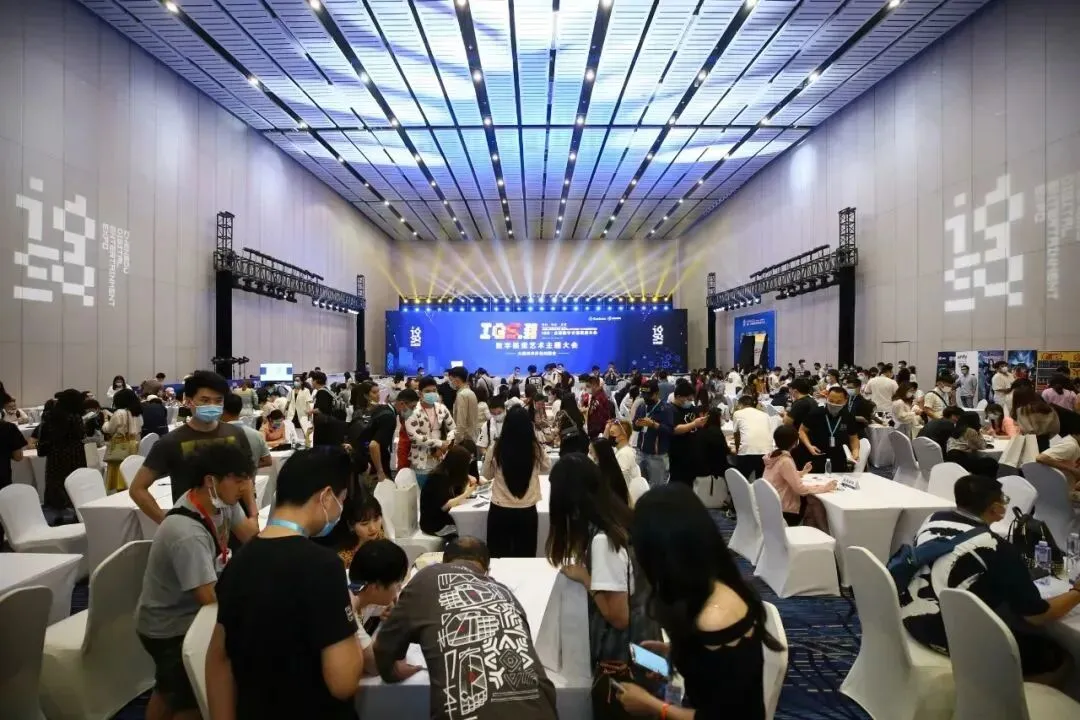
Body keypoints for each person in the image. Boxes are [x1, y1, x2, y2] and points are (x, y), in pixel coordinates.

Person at [206, 448, 364, 720]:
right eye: (341, 500)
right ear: (326, 497)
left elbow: (218, 659)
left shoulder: (239, 563)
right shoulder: (323, 567)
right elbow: (343, 682)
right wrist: (353, 620)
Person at [615, 483, 783, 719]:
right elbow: (720, 669)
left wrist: (652, 705)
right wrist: (677, 654)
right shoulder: (709, 583)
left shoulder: (717, 617)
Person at [900, 474, 1077, 683]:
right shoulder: (997, 549)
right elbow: (1038, 616)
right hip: (946, 636)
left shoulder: (934, 518)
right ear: (995, 508)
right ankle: (1011, 698)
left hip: (909, 617)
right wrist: (1077, 592)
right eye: (1004, 500)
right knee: (1059, 658)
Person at [373, 537, 558, 719]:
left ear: (444, 562)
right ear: (487, 570)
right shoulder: (506, 593)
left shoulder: (427, 577)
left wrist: (392, 672)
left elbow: (383, 647)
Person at [136, 443, 257, 720]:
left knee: (170, 689)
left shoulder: (220, 504)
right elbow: (207, 596)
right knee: (187, 700)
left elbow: (251, 537)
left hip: (187, 614)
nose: (244, 488)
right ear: (210, 481)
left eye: (246, 480)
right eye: (238, 480)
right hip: (170, 626)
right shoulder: (187, 532)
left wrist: (250, 504)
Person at [546, 453, 660, 666]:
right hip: (647, 642)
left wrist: (586, 578)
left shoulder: (603, 542)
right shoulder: (618, 518)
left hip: (626, 657)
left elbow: (619, 618)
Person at [131, 370, 253, 520]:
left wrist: (253, 515)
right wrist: (167, 523)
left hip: (236, 523)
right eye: (205, 400)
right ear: (189, 401)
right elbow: (137, 489)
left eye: (218, 400)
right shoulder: (170, 442)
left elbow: (247, 479)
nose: (212, 405)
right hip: (193, 522)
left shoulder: (236, 434)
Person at [481, 406, 550, 557]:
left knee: (498, 557)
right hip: (527, 509)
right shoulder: (535, 448)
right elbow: (546, 467)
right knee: (525, 557)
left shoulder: (496, 448)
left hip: (500, 509)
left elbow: (486, 474)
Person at [347, 539, 409, 676]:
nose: (399, 588)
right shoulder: (346, 610)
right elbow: (376, 666)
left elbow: (390, 606)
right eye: (398, 583)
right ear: (375, 587)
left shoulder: (360, 587)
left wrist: (390, 608)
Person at [764, 425, 836, 526]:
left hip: (771, 505)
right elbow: (800, 490)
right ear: (795, 442)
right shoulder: (785, 460)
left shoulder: (773, 456)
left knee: (811, 504)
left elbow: (782, 475)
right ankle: (825, 532)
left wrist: (802, 472)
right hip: (784, 510)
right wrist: (824, 488)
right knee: (814, 502)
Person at [36, 388, 87, 513]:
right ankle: (75, 510)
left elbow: (44, 436)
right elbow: (81, 434)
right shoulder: (75, 417)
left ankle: (56, 510)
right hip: (75, 454)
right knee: (74, 482)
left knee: (56, 482)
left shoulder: (50, 415)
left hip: (55, 455)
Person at [404, 376, 456, 489]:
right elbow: (415, 438)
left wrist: (446, 443)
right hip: (422, 460)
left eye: (434, 390)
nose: (432, 393)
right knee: (424, 493)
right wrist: (439, 443)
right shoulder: (412, 411)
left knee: (441, 491)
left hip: (441, 458)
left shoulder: (442, 408)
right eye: (427, 391)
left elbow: (453, 428)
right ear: (420, 393)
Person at [420, 445, 476, 539]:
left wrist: (466, 479)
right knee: (465, 532)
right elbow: (445, 506)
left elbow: (456, 493)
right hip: (434, 525)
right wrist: (467, 493)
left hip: (442, 518)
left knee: (468, 527)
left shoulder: (447, 473)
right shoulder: (438, 478)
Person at [348, 382, 399, 487]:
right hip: (367, 456)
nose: (378, 395)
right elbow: (360, 437)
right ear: (366, 395)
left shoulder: (384, 409)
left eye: (378, 391)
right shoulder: (359, 413)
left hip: (383, 453)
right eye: (374, 392)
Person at [799, 387, 860, 474]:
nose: (834, 404)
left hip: (839, 457)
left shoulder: (848, 416)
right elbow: (802, 431)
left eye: (838, 402)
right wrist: (809, 446)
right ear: (827, 398)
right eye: (831, 401)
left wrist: (855, 451)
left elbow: (853, 438)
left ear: (845, 401)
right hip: (816, 454)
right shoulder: (816, 413)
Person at [223, 393, 272, 481]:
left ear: (222, 409)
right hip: (250, 484)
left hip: (224, 487)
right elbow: (268, 461)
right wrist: (250, 466)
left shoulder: (218, 435)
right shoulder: (256, 434)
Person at [102, 387, 144, 492]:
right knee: (130, 470)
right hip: (133, 443)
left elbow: (109, 429)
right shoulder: (136, 412)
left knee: (119, 471)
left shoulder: (119, 413)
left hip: (120, 445)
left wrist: (106, 420)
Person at [333, 490, 389, 568]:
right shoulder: (344, 559)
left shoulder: (384, 539)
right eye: (364, 524)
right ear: (351, 525)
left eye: (376, 520)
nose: (373, 528)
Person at [634, 379, 674, 487]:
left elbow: (670, 431)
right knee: (639, 484)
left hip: (657, 455)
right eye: (644, 395)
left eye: (649, 395)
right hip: (641, 452)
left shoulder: (666, 409)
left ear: (656, 394)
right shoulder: (642, 407)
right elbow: (635, 427)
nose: (646, 398)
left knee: (657, 487)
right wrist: (637, 424)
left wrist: (653, 425)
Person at [668, 379, 707, 487]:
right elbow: (675, 429)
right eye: (688, 399)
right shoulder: (670, 410)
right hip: (679, 455)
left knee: (691, 484)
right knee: (679, 485)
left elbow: (699, 421)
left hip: (693, 453)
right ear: (679, 396)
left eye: (692, 398)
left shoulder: (691, 408)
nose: (690, 401)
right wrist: (694, 424)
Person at [732, 394, 772, 481]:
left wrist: (737, 450)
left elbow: (736, 435)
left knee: (741, 481)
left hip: (747, 451)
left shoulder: (737, 413)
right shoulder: (765, 415)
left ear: (740, 405)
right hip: (767, 452)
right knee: (762, 482)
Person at [945, 411, 997, 477]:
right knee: (991, 463)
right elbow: (982, 446)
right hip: (961, 459)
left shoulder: (957, 428)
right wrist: (979, 432)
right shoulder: (970, 430)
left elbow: (970, 444)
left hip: (950, 457)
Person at [590, 436, 637, 506]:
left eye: (591, 452)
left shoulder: (605, 476)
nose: (589, 454)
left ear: (598, 454)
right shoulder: (613, 468)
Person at [605, 418, 645, 489]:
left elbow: (618, 481)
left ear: (623, 436)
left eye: (612, 433)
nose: (609, 436)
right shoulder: (617, 449)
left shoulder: (625, 454)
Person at [448, 366, 479, 443]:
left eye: (451, 379)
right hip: (472, 435)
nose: (450, 382)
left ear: (457, 379)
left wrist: (456, 440)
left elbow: (461, 422)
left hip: (465, 438)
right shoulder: (470, 392)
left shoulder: (462, 395)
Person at [555, 390, 589, 456]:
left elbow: (557, 429)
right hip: (580, 443)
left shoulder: (561, 414)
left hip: (567, 444)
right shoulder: (578, 413)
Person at [585, 373, 613, 439]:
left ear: (594, 385)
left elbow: (598, 419)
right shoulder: (596, 396)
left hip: (598, 433)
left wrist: (593, 434)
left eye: (588, 386)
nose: (587, 388)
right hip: (596, 431)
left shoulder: (599, 398)